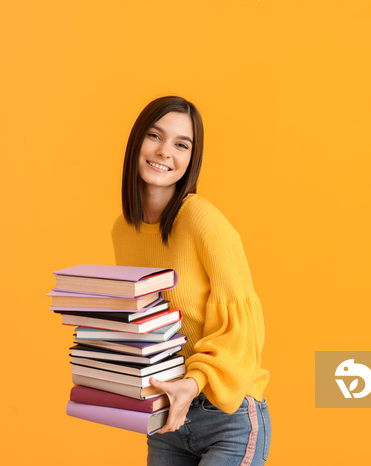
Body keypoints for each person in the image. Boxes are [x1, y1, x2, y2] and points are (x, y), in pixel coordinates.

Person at [112, 96, 271, 465]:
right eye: (155, 136)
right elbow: (144, 326)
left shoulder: (204, 223)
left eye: (181, 144)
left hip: (226, 415)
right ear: (137, 142)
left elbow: (244, 333)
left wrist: (194, 381)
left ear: (190, 160)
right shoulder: (124, 230)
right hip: (167, 417)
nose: (165, 151)